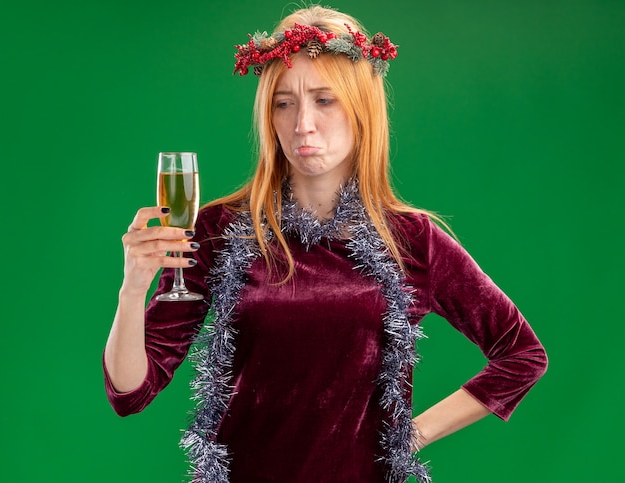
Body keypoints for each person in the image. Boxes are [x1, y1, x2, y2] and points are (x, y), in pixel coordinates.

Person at [103, 5, 548, 483]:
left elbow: (522, 355)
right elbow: (130, 393)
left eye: (324, 99)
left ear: (360, 108)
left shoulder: (413, 240)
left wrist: (407, 436)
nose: (302, 124)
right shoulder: (219, 229)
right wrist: (131, 290)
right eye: (283, 102)